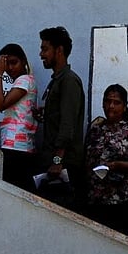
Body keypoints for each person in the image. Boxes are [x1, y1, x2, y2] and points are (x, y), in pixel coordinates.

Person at [84, 84, 128, 240]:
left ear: (124, 106)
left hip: (124, 202)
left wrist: (119, 166)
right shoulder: (95, 130)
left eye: (116, 102)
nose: (111, 106)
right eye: (107, 101)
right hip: (97, 201)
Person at [38, 26, 86, 204]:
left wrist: (57, 160)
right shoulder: (58, 81)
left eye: (45, 49)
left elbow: (67, 125)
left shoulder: (69, 81)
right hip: (55, 163)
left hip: (63, 165)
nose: (41, 54)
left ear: (59, 50)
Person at [0, 43, 37, 190]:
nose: (10, 68)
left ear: (23, 61)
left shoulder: (24, 80)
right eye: (7, 64)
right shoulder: (23, 81)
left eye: (14, 62)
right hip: (17, 146)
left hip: (17, 148)